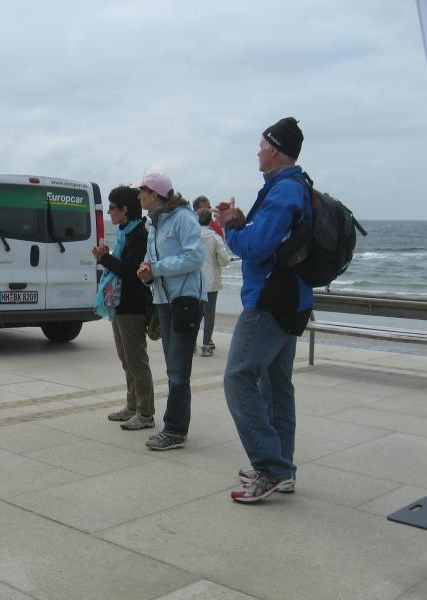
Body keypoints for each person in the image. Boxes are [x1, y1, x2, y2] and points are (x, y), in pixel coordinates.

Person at [214, 117, 313, 503]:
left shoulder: (284, 190)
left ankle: (271, 468)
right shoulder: (296, 186)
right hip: (293, 300)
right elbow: (273, 238)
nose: (257, 151)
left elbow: (255, 249)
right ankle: (282, 469)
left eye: (261, 145)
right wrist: (241, 221)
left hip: (270, 301)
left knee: (238, 377)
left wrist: (229, 228)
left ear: (274, 149)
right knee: (276, 386)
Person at [135, 172, 205, 450]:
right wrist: (147, 272)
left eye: (141, 191)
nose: (138, 196)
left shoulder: (183, 218)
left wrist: (157, 268)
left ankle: (175, 430)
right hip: (164, 300)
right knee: (172, 366)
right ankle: (175, 427)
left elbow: (195, 257)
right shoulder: (154, 222)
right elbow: (153, 259)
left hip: (185, 300)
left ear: (154, 194)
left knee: (178, 370)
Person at [93, 186, 154, 430]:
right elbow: (120, 267)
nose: (109, 213)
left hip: (133, 305)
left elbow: (129, 272)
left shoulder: (139, 235)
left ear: (125, 209)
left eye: (112, 208)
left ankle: (145, 413)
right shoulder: (124, 233)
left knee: (137, 361)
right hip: (120, 304)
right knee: (126, 360)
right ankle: (132, 406)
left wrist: (104, 259)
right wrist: (107, 257)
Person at [196, 208, 231, 357]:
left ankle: (191, 344)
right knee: (209, 314)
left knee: (195, 313)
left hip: (194, 281)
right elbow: (224, 260)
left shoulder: (192, 236)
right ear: (210, 221)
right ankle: (206, 346)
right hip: (211, 282)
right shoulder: (215, 237)